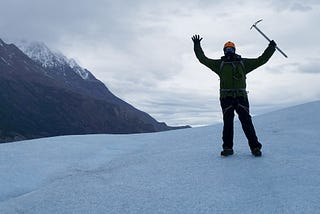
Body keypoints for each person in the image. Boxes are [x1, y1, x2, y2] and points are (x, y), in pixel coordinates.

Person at [192, 35, 276, 157]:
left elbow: (261, 60)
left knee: (247, 123)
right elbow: (203, 59)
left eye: (231, 49)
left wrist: (271, 48)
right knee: (228, 124)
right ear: (224, 51)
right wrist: (197, 46)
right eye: (227, 49)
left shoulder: (243, 63)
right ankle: (227, 148)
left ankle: (255, 148)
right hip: (226, 98)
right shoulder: (219, 64)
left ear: (234, 50)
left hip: (241, 97)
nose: (229, 51)